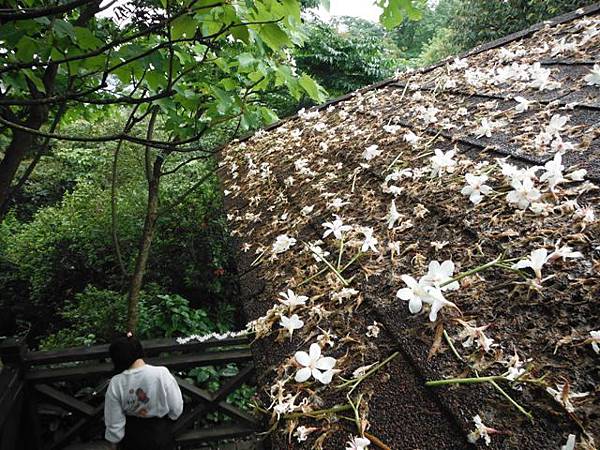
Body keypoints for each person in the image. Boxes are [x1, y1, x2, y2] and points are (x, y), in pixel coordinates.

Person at [104, 333, 183, 449]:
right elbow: (176, 407)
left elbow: (114, 422)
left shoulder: (116, 382)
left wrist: (114, 439)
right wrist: (172, 417)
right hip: (160, 432)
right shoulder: (161, 373)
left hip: (132, 436)